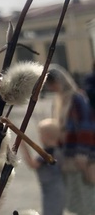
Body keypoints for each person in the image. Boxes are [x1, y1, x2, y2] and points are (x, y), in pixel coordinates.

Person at [44, 64, 95, 215]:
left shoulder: (77, 98)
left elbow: (86, 126)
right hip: (68, 158)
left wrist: (83, 154)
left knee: (88, 198)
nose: (51, 88)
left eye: (52, 84)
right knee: (76, 201)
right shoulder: (60, 100)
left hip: (81, 157)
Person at [20, 118, 65, 215]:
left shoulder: (48, 153)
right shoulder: (57, 149)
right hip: (55, 190)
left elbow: (32, 164)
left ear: (47, 136)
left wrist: (23, 146)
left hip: (52, 192)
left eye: (40, 134)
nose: (39, 137)